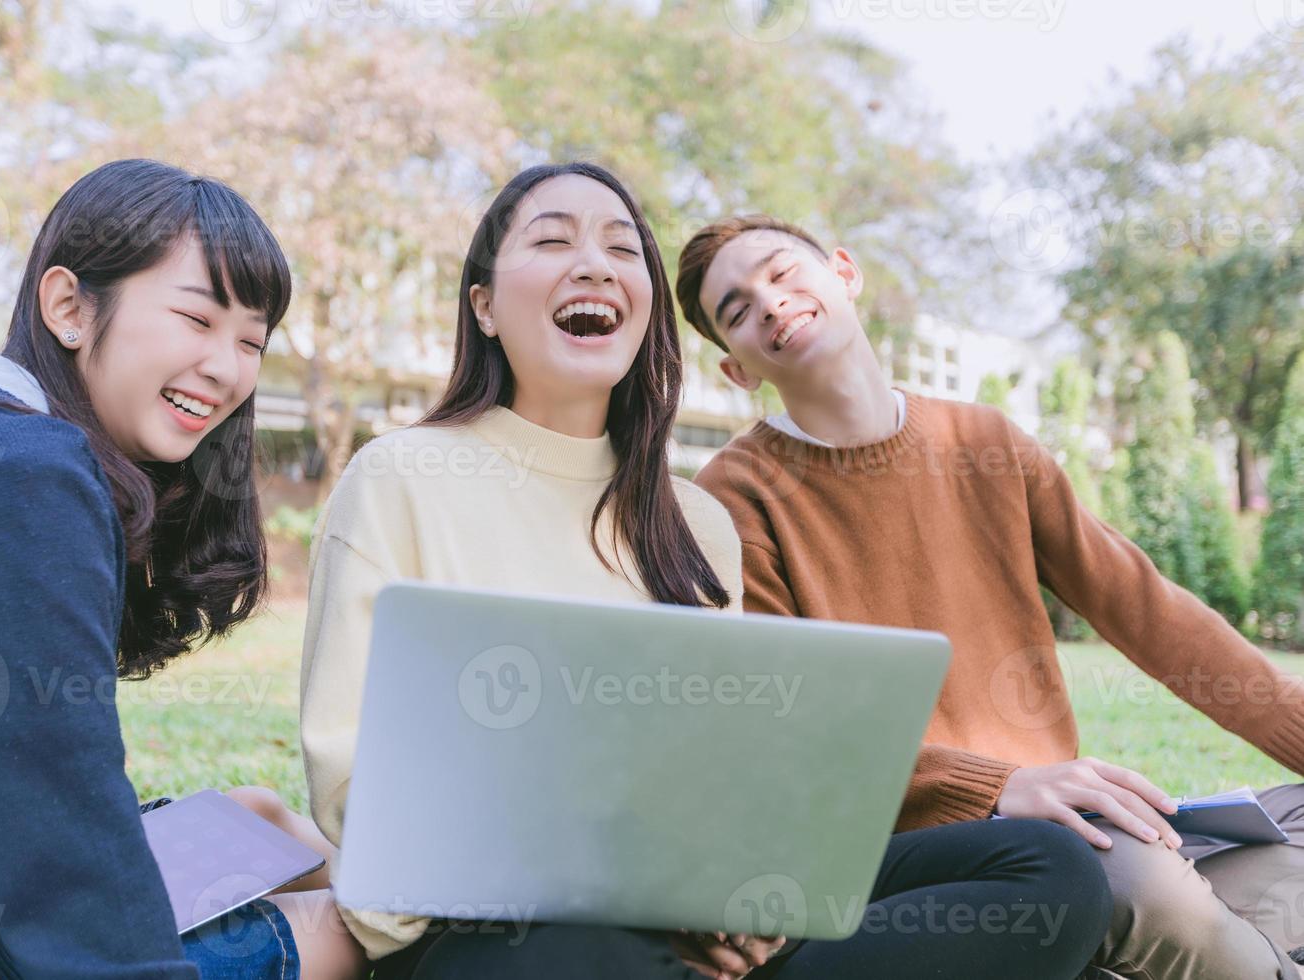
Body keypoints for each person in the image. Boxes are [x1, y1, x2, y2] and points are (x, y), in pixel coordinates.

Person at [299, 162, 1112, 980]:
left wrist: (742, 890)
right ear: (483, 305)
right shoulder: (401, 476)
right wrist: (637, 894)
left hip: (688, 921)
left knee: (1049, 871)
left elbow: (724, 780)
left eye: (624, 248)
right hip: (502, 933)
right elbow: (349, 777)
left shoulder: (696, 523)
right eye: (553, 241)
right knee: (608, 950)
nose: (596, 265)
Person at [678, 213, 1304, 979]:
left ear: (844, 272)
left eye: (782, 272)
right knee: (1142, 884)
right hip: (947, 852)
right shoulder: (737, 495)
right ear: (737, 370)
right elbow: (791, 730)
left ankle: (1164, 944)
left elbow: (1151, 612)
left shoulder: (985, 443)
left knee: (1272, 837)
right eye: (737, 310)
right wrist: (998, 786)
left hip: (1077, 818)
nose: (770, 303)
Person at [0, 158, 358, 980]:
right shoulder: (15, 475)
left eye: (251, 340)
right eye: (197, 319)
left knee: (258, 818)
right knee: (351, 927)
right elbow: (58, 825)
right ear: (70, 308)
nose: (228, 369)